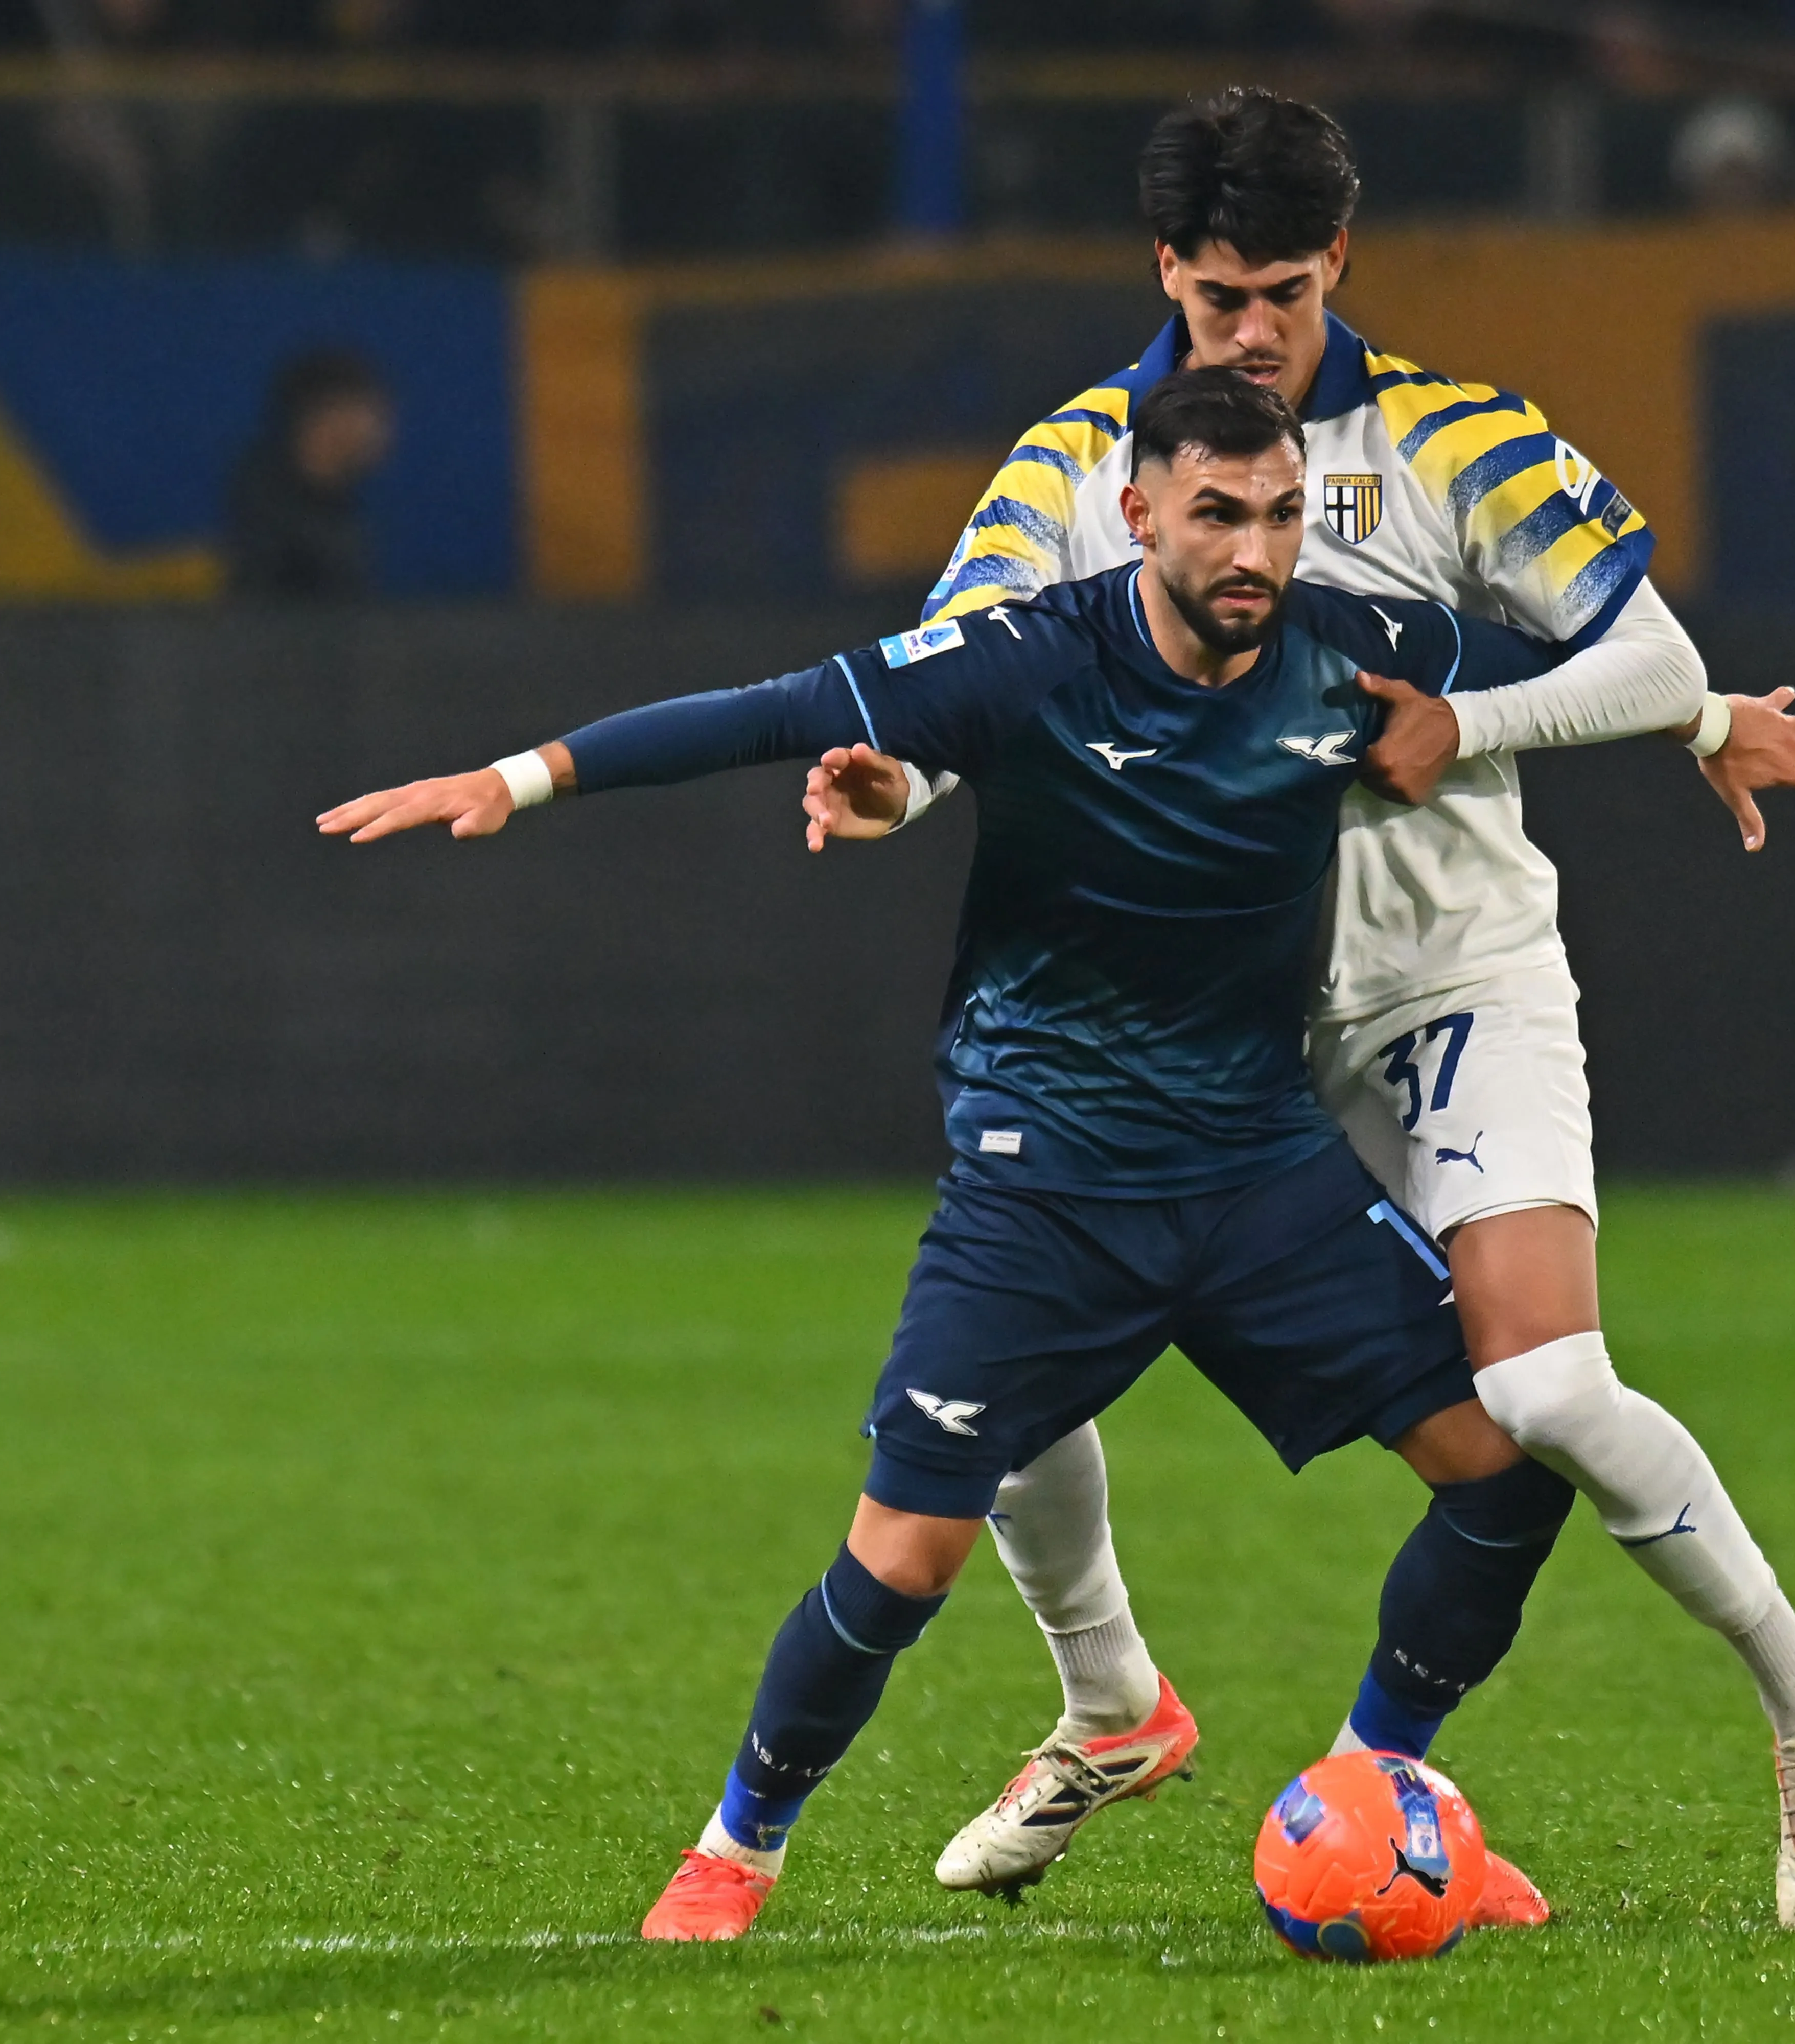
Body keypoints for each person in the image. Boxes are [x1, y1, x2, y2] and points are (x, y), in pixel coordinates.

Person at [316, 369, 1693, 1941]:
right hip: (1046, 1175)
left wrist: (1708, 718)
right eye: (1213, 516)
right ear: (1136, 516)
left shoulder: (1348, 645)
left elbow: (1591, 666)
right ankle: (736, 1846)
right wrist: (518, 778)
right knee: (903, 1552)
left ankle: (1382, 1798)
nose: (1250, 550)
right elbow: (768, 712)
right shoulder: (1029, 657)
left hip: (1256, 1169)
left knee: (1505, 1480)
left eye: (1273, 517)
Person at [810, 88, 1795, 1931]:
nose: (1249, 331)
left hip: (1441, 976)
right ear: (1165, 270)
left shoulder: (1449, 435)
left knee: (1540, 1384)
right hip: (1204, 1009)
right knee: (1000, 1357)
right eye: (1219, 294)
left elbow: (1654, 652)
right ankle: (1110, 1701)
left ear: (1340, 265)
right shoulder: (1083, 463)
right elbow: (946, 689)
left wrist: (1481, 718)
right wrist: (886, 785)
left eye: (1285, 294)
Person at [224, 346, 393, 599]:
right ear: (330, 415)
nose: (382, 430)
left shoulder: (338, 509)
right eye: (371, 413)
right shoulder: (271, 518)